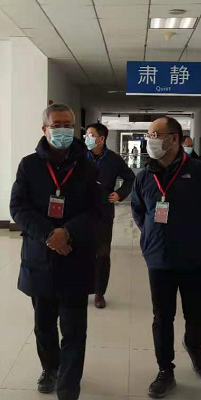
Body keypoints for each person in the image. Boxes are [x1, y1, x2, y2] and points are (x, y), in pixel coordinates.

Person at [10, 103, 101, 400]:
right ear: (44, 129)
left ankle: (68, 397)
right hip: (41, 256)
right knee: (44, 325)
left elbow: (97, 211)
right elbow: (18, 207)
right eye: (56, 124)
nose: (62, 130)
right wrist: (50, 234)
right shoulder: (29, 165)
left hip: (75, 257)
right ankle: (50, 368)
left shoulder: (88, 167)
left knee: (74, 332)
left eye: (67, 124)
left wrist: (67, 233)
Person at [131, 117, 201, 398]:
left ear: (174, 138)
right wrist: (153, 236)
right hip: (158, 257)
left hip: (193, 255)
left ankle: (193, 345)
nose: (150, 140)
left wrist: (200, 234)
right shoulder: (144, 176)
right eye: (149, 134)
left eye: (156, 135)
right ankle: (165, 370)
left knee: (197, 312)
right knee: (162, 316)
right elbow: (139, 211)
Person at [84, 122, 135, 309]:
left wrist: (120, 194)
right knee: (81, 251)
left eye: (90, 135)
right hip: (81, 210)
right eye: (86, 135)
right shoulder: (79, 156)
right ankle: (81, 289)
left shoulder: (113, 159)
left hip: (103, 211)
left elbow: (130, 178)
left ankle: (99, 292)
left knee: (102, 253)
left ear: (101, 139)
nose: (87, 138)